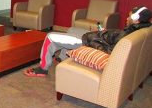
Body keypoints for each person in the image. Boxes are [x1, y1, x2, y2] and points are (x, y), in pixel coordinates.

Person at [24, 6, 152, 77]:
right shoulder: (139, 29)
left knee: (51, 36)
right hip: (95, 38)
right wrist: (103, 33)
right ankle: (63, 58)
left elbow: (108, 50)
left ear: (136, 19)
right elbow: (113, 40)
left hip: (88, 43)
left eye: (130, 16)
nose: (127, 17)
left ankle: (43, 68)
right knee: (71, 29)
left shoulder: (127, 34)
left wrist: (92, 42)